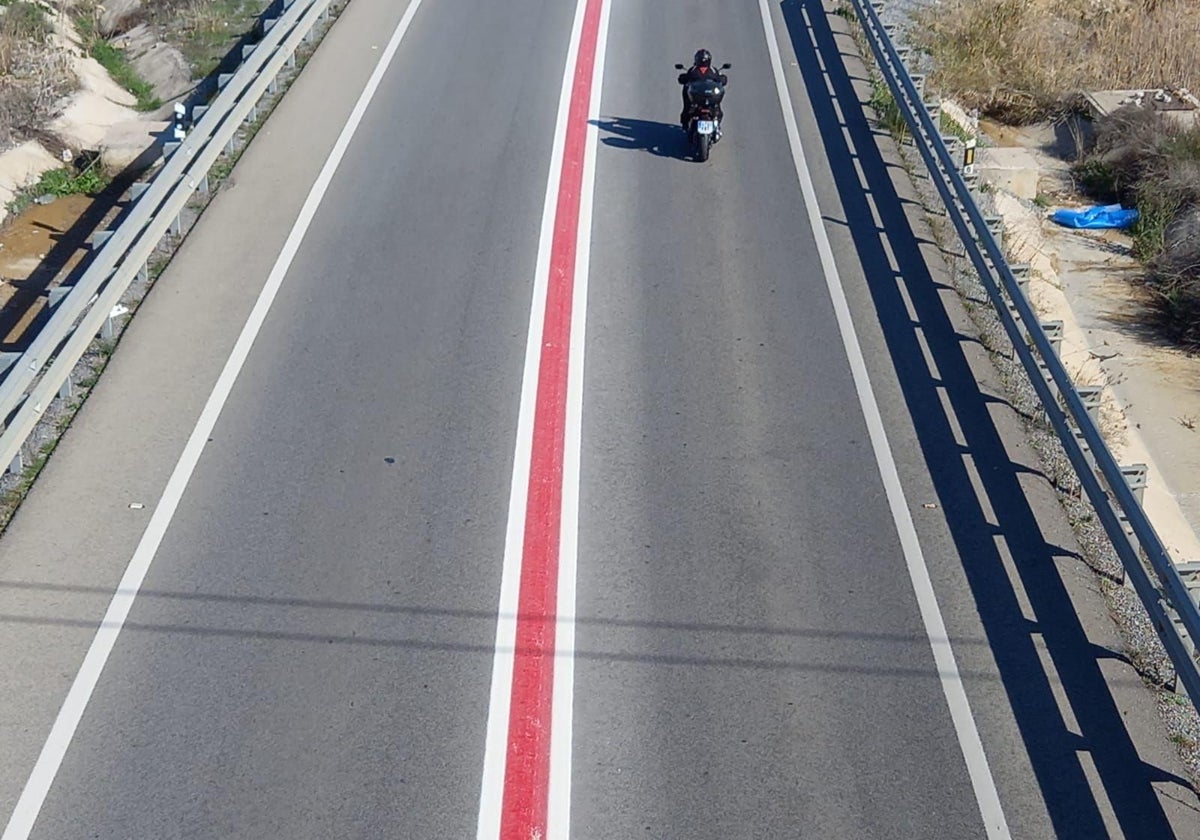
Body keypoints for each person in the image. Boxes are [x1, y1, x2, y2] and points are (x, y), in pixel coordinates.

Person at [678, 48, 728, 129]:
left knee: (716, 106)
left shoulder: (712, 70)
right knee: (687, 107)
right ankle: (686, 123)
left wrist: (723, 79)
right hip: (697, 97)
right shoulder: (695, 70)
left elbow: (722, 80)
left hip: (710, 97)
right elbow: (684, 79)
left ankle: (716, 124)